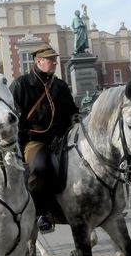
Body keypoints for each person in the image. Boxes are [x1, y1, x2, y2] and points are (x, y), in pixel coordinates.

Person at [11, 42, 80, 232]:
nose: (55, 63)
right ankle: (41, 213)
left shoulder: (60, 85)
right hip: (34, 140)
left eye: (55, 60)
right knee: (40, 167)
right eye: (51, 60)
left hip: (61, 138)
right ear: (39, 61)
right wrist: (18, 144)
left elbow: (72, 111)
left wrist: (76, 117)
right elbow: (12, 118)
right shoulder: (21, 85)